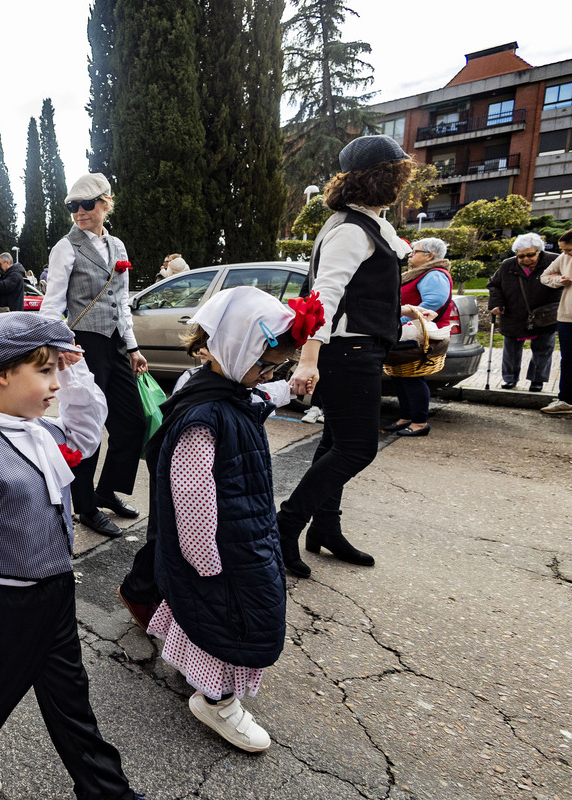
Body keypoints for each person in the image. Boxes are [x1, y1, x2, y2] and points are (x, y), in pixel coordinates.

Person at [0, 312, 140, 800]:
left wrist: (74, 370)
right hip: (8, 603)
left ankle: (106, 789)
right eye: (44, 372)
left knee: (71, 699)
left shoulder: (40, 432)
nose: (54, 385)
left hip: (57, 592)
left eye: (54, 373)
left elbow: (87, 434)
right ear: (1, 373)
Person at [146, 286, 325, 753]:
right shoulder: (204, 416)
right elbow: (191, 500)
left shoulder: (230, 391)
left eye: (276, 369)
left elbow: (262, 398)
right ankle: (217, 701)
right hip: (219, 550)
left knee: (221, 617)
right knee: (231, 618)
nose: (269, 374)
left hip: (241, 531)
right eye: (266, 365)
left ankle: (205, 678)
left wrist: (288, 387)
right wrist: (206, 563)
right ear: (237, 348)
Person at [277, 135, 415, 579]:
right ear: (382, 179)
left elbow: (360, 287)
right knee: (357, 449)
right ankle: (286, 527)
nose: (402, 184)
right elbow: (325, 296)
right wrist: (308, 359)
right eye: (399, 175)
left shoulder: (363, 222)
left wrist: (398, 308)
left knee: (335, 443)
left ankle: (325, 529)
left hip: (358, 348)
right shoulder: (352, 229)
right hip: (349, 353)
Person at [39, 172, 148, 538]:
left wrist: (131, 347)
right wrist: (60, 346)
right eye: (73, 206)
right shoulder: (65, 247)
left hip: (115, 343)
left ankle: (106, 491)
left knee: (131, 422)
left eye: (87, 205)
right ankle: (85, 506)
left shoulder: (118, 246)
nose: (80, 212)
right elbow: (52, 306)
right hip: (81, 345)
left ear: (105, 203)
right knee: (86, 429)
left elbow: (123, 302)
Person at [383, 237, 453, 437]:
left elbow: (431, 305)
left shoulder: (434, 274)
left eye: (415, 251)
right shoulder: (422, 273)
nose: (411, 255)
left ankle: (420, 422)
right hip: (409, 332)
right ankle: (406, 417)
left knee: (413, 378)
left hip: (419, 334)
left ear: (429, 256)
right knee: (401, 376)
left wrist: (403, 320)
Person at [487, 232, 561, 392]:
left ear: (539, 251)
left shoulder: (554, 261)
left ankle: (537, 381)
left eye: (530, 255)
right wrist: (497, 303)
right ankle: (509, 379)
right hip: (514, 314)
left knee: (543, 349)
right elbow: (494, 285)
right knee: (511, 349)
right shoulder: (508, 265)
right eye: (521, 256)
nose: (525, 259)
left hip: (544, 315)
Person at [539, 233, 572, 415]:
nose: (565, 253)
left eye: (569, 249)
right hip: (567, 316)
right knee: (568, 360)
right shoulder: (563, 258)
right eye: (563, 250)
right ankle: (566, 400)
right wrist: (560, 280)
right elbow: (545, 277)